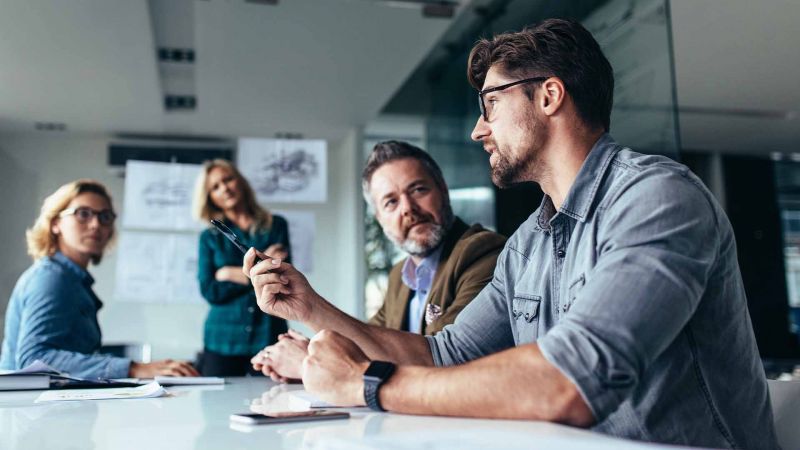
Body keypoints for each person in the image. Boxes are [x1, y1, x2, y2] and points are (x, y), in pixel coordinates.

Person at [243, 18, 778, 448]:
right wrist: (308, 308)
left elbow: (569, 381)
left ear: (549, 96)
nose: (479, 128)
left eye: (492, 103)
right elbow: (442, 355)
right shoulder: (527, 244)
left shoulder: (658, 198)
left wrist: (366, 384)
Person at [251, 141, 506, 381]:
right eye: (391, 202)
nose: (407, 208)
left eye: (418, 190)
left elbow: (441, 361)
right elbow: (368, 344)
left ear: (443, 190)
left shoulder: (483, 253)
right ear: (379, 218)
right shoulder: (400, 275)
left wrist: (309, 361)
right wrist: (313, 351)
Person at [0, 179, 198, 379]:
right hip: (29, 408)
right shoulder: (51, 278)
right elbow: (34, 359)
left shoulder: (73, 280)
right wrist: (133, 368)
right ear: (55, 223)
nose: (96, 224)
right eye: (83, 214)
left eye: (105, 217)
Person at [193, 159, 290, 376]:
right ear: (210, 198)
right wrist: (257, 274)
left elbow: (280, 278)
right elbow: (210, 290)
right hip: (222, 340)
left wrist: (228, 273)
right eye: (215, 187)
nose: (224, 188)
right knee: (216, 406)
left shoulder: (276, 226)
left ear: (240, 182)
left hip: (268, 334)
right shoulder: (209, 238)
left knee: (272, 401)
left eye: (228, 179)